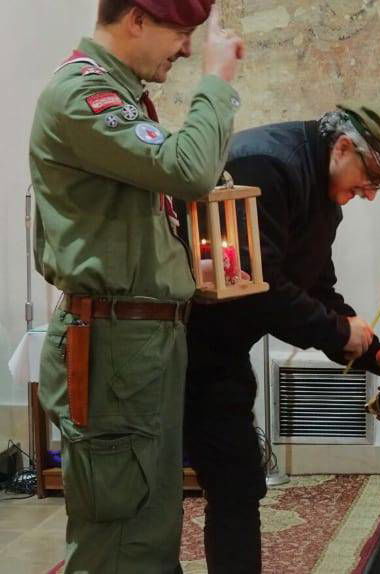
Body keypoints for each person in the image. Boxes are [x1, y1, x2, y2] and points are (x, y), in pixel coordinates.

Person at [29, 0, 243, 571]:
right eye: (179, 32)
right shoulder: (83, 95)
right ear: (136, 20)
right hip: (116, 344)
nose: (187, 48)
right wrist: (217, 83)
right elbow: (187, 170)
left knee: (149, 525)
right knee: (123, 540)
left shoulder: (118, 95)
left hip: (138, 341)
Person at [183, 102, 380, 573]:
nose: (370, 194)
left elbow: (316, 286)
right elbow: (258, 286)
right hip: (180, 349)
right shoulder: (266, 166)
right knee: (164, 492)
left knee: (237, 481)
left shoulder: (322, 186)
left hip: (221, 352)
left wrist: (379, 353)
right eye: (371, 178)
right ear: (345, 147)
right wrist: (337, 331)